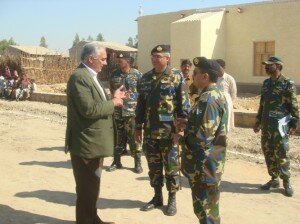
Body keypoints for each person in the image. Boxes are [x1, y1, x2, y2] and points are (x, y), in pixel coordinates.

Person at [66, 41, 126, 224]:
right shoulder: (79, 77)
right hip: (86, 144)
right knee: (86, 190)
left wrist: (114, 97)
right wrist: (114, 103)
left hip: (93, 144)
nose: (106, 63)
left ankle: (93, 219)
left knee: (92, 188)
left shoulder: (90, 76)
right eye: (103, 59)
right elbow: (89, 109)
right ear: (91, 59)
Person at [135, 44, 190, 216]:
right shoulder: (144, 79)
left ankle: (172, 200)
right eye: (152, 56)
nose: (154, 59)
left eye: (158, 56)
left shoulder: (176, 77)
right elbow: (140, 106)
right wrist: (138, 127)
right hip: (151, 133)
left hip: (169, 133)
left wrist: (180, 131)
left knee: (171, 168)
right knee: (154, 167)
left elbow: (184, 107)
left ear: (168, 58)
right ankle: (157, 197)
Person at [173, 57, 228, 224]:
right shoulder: (210, 94)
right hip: (205, 165)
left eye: (195, 73)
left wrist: (180, 139)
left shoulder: (209, 99)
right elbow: (206, 126)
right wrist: (188, 123)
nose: (192, 75)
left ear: (204, 77)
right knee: (207, 211)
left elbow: (203, 139)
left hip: (204, 166)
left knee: (206, 212)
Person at [253, 56, 299, 197]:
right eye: (265, 65)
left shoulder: (287, 83)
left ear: (278, 66)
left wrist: (294, 123)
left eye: (269, 65)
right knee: (268, 152)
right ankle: (274, 179)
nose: (266, 67)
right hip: (267, 125)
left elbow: (293, 106)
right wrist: (258, 121)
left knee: (282, 153)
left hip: (280, 126)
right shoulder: (266, 83)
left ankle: (286, 181)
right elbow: (262, 104)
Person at [107, 52, 143, 173]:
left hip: (131, 111)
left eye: (121, 60)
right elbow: (112, 91)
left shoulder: (137, 75)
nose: (118, 62)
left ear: (128, 61)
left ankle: (137, 162)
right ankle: (116, 162)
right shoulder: (114, 74)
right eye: (118, 60)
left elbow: (142, 93)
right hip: (118, 111)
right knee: (117, 137)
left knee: (133, 137)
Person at [216, 59, 237, 132]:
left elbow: (233, 94)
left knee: (226, 123)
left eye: (218, 67)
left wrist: (229, 103)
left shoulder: (229, 79)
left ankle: (224, 138)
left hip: (226, 104)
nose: (217, 69)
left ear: (223, 67)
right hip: (215, 104)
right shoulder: (213, 78)